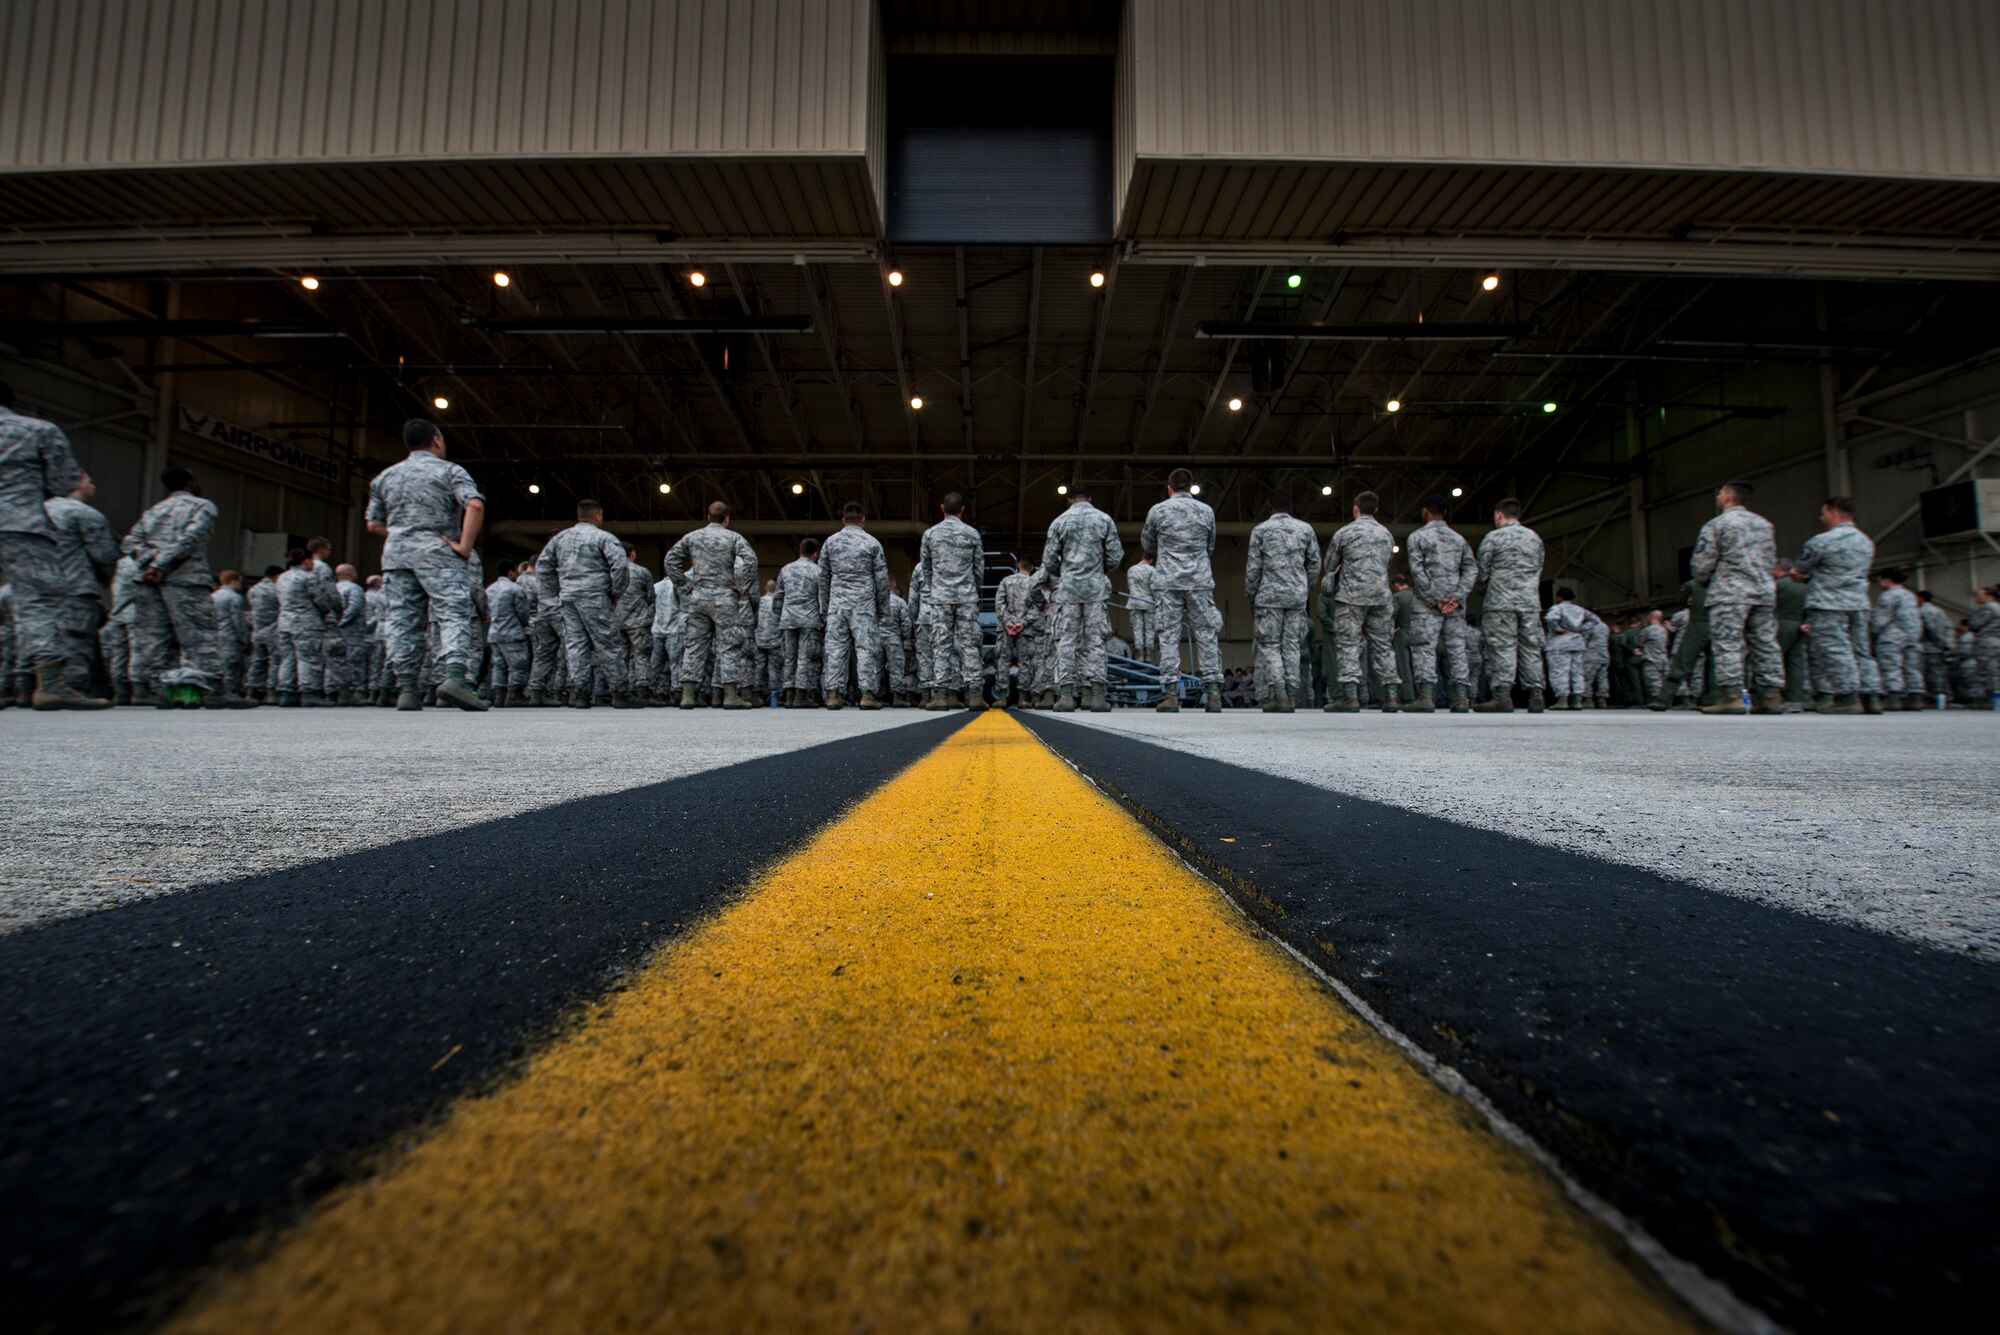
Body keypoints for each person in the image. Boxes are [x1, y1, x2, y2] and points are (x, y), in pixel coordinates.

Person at [366, 418, 487, 712]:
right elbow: (474, 505)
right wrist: (464, 546)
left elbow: (372, 524)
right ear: (436, 440)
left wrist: (402, 534)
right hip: (438, 552)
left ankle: (407, 689)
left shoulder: (385, 477)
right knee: (453, 613)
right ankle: (455, 677)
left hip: (396, 554)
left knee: (402, 619)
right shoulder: (449, 472)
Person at [122, 465, 223, 708]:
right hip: (185, 579)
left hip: (148, 581)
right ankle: (206, 690)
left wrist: (151, 561)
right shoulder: (202, 506)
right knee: (198, 635)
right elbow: (192, 538)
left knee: (155, 638)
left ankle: (165, 692)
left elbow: (129, 543)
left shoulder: (152, 512)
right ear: (189, 481)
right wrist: (162, 564)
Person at [1688, 480, 1785, 716]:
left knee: (1728, 642)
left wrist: (1702, 581)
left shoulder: (1718, 524)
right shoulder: (1764, 524)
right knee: (1765, 642)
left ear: (1728, 497)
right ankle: (1771, 696)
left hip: (1730, 592)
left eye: (1720, 493)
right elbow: (1771, 558)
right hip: (1763, 591)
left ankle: (1732, 696)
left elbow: (1702, 563)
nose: (1718, 496)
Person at [1140, 468, 1223, 713]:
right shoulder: (1206, 511)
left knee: (1168, 635)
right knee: (1206, 634)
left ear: (1169, 487)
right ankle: (1214, 694)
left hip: (1168, 581)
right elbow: (1211, 545)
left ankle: (1171, 694)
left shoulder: (1158, 510)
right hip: (1199, 580)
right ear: (1190, 486)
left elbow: (1148, 543)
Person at [538, 500, 634, 709]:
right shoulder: (604, 538)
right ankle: (619, 692)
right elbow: (620, 566)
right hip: (595, 596)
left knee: (576, 644)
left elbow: (543, 566)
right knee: (607, 644)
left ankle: (580, 693)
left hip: (568, 598)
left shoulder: (560, 539)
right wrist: (615, 592)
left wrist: (556, 591)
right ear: (598, 515)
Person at [664, 500, 758, 710]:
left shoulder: (692, 537)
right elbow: (750, 560)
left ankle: (687, 695)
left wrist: (684, 584)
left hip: (698, 597)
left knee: (694, 646)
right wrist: (741, 585)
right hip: (725, 597)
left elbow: (670, 560)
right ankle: (730, 695)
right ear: (727, 519)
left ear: (708, 517)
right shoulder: (733, 537)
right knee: (729, 646)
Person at [1041, 482, 1124, 713]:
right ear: (1090, 498)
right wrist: (1098, 571)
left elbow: (1049, 560)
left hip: (1068, 590)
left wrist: (1065, 572)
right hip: (1095, 589)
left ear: (1069, 499)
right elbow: (1116, 556)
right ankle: (1096, 696)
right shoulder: (1104, 520)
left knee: (1067, 642)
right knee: (1095, 641)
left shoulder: (1059, 522)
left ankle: (1066, 695)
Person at [44, 472, 119, 702]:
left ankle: (29, 689)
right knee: (76, 641)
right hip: (73, 586)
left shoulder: (34, 512)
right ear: (76, 484)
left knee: (40, 637)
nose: (92, 484)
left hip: (35, 588)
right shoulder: (84, 513)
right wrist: (107, 579)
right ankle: (71, 690)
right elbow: (105, 555)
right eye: (89, 480)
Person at [1244, 486, 1319, 713]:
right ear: (1290, 506)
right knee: (1292, 645)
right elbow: (1315, 563)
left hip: (1269, 598)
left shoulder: (1261, 530)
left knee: (1270, 646)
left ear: (1269, 506)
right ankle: (1293, 695)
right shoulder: (1305, 529)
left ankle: (1279, 694)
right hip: (1296, 597)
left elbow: (1254, 568)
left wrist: (1251, 596)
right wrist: (1305, 587)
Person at [1322, 490, 1396, 714]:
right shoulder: (1386, 534)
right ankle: (1391, 696)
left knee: (1348, 645)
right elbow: (1388, 562)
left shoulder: (1345, 533)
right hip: (1381, 596)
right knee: (1383, 646)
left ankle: (1350, 697)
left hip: (1351, 597)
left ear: (1356, 508)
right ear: (1376, 508)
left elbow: (1330, 564)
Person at [1472, 497, 1547, 713]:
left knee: (1502, 648)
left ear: (1498, 514)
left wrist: (1487, 591)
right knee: (1531, 648)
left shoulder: (1494, 538)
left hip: (1500, 602)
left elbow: (1483, 571)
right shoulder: (1534, 538)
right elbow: (1539, 567)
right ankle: (1536, 696)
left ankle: (1502, 696)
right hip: (1530, 602)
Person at [814, 501, 891, 710]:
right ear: (863, 520)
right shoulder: (872, 543)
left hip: (837, 605)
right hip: (863, 605)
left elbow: (823, 578)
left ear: (843, 520)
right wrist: (882, 608)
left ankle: (833, 694)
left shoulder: (831, 543)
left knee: (836, 649)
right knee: (866, 649)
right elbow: (882, 580)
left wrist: (824, 608)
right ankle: (867, 694)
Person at [1404, 495, 1477, 714]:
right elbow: (1471, 569)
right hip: (1454, 605)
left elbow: (1417, 570)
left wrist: (1435, 599)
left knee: (1424, 648)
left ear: (1425, 511)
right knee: (1457, 650)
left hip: (1427, 606)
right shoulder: (1459, 539)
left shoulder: (1418, 537)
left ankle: (1426, 697)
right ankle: (1461, 698)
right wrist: (1456, 597)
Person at [919, 492, 986, 710]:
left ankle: (941, 696)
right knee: (970, 645)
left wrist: (934, 588)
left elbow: (926, 569)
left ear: (942, 508)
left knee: (941, 645)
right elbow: (979, 568)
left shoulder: (930, 534)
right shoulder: (972, 534)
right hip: (966, 596)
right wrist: (972, 589)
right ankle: (975, 695)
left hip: (940, 598)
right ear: (962, 510)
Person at [275, 547, 340, 706]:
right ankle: (309, 692)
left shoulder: (282, 577)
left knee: (288, 658)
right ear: (305, 561)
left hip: (284, 622)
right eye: (311, 560)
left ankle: (286, 693)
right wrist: (329, 611)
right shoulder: (308, 577)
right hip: (306, 622)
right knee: (308, 658)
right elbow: (320, 599)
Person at [774, 537, 822, 708]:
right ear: (815, 554)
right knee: (804, 658)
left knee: (789, 658)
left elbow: (778, 596)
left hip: (788, 619)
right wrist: (823, 620)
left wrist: (779, 616)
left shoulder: (786, 569)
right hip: (809, 619)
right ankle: (801, 696)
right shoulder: (818, 571)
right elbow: (822, 598)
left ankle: (788, 696)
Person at [1869, 568, 1922, 711]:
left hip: (1892, 635)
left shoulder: (1888, 596)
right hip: (1912, 635)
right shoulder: (1910, 595)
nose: (1880, 582)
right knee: (1911, 666)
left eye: (1880, 579)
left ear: (1887, 580)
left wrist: (1873, 632)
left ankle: (1894, 698)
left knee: (1890, 666)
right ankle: (1915, 697)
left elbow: (1881, 619)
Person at [994, 558, 1038, 706]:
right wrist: (1022, 623)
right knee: (1024, 662)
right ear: (1031, 568)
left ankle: (1001, 697)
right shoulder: (1034, 583)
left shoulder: (1006, 581)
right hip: (1025, 629)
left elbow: (999, 603)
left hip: (1006, 628)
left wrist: (1008, 622)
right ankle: (1023, 698)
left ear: (1018, 565)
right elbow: (1036, 607)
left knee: (1003, 660)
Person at [485, 561, 530, 706]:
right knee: (518, 665)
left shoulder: (489, 589)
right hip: (511, 633)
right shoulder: (515, 589)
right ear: (510, 572)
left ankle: (499, 696)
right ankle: (514, 695)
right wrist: (523, 625)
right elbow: (523, 613)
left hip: (494, 633)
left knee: (498, 665)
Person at [616, 543, 656, 706]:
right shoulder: (642, 572)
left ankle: (619, 692)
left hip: (616, 620)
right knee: (641, 656)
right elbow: (651, 596)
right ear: (632, 554)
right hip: (638, 621)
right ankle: (642, 692)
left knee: (619, 657)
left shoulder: (612, 572)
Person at [1542, 588, 1590, 709]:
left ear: (1559, 597)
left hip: (1560, 643)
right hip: (1577, 643)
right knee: (1577, 672)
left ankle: (1562, 700)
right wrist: (1580, 630)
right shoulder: (1580, 610)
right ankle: (1577, 700)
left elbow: (1550, 618)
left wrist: (1558, 629)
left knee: (1560, 671)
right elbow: (1595, 621)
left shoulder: (1557, 608)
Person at [209, 569, 251, 703]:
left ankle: (217, 691)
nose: (241, 585)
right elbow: (238, 621)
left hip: (216, 635)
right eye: (240, 582)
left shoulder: (213, 596)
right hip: (230, 635)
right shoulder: (234, 597)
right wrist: (245, 639)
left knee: (219, 664)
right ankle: (231, 692)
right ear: (233, 581)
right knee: (232, 665)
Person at [244, 565, 281, 704]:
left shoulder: (253, 590)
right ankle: (271, 692)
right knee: (274, 661)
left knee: (257, 661)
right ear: (277, 575)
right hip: (272, 629)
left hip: (257, 630)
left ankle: (252, 690)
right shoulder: (277, 589)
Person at [1915, 589, 1954, 708]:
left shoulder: (1922, 611)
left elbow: (1930, 628)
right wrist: (1947, 643)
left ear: (1921, 598)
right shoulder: (1940, 611)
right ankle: (1942, 698)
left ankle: (1932, 698)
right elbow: (1949, 627)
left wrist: (1939, 642)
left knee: (1928, 675)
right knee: (1939, 674)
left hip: (1929, 647)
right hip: (1939, 647)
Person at [649, 567, 681, 702]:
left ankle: (650, 689)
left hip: (657, 628)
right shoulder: (678, 587)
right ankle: (677, 691)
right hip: (674, 629)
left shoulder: (655, 586)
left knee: (655, 663)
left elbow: (650, 607)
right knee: (675, 662)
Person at [883, 576, 914, 706]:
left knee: (875, 667)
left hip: (875, 638)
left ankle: (877, 696)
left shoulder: (873, 602)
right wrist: (903, 637)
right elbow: (907, 624)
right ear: (894, 584)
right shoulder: (899, 602)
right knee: (896, 668)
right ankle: (897, 697)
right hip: (893, 638)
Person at [1971, 585, 2000, 705]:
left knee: (1986, 672)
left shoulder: (1988, 607)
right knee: (1995, 671)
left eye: (1979, 595)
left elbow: (1974, 624)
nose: (1977, 597)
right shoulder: (1998, 607)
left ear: (1989, 596)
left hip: (1986, 643)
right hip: (1996, 642)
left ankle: (1990, 699)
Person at [1126, 555, 1157, 664]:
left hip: (1134, 601)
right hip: (1149, 603)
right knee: (1149, 630)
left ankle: (1139, 655)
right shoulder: (1152, 570)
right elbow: (1154, 588)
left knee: (1137, 629)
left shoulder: (1131, 569)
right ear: (1151, 560)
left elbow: (1130, 586)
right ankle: (1148, 655)